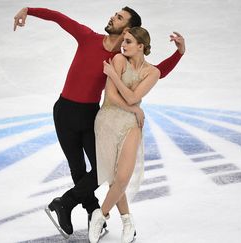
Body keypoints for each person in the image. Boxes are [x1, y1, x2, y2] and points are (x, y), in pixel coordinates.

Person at [13, 6, 185, 239]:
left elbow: (157, 71)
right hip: (63, 111)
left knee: (103, 170)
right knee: (77, 169)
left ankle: (65, 202)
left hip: (90, 116)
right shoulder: (87, 37)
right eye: (115, 14)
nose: (113, 17)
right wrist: (28, 10)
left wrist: (179, 53)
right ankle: (91, 211)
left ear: (127, 29)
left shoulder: (122, 58)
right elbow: (60, 18)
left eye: (119, 18)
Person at [89, 26, 164, 243]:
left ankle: (100, 214)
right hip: (107, 120)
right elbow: (111, 96)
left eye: (129, 41)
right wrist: (135, 108)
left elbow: (133, 98)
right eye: (125, 40)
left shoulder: (152, 73)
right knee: (114, 180)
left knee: (122, 178)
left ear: (141, 46)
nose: (124, 44)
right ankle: (128, 223)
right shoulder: (119, 60)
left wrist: (113, 75)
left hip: (131, 124)